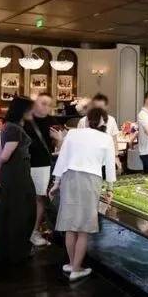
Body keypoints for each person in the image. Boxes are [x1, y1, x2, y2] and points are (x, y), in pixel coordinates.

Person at [49, 108, 116, 281]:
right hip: (90, 181)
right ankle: (76, 269)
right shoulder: (106, 138)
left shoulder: (73, 134)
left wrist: (56, 183)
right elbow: (110, 165)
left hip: (69, 178)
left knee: (70, 226)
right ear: (104, 121)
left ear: (86, 120)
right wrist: (110, 189)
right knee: (83, 228)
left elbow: (62, 159)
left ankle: (72, 264)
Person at [0, 97, 36, 264]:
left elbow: (1, 155)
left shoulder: (10, 126)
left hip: (13, 173)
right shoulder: (14, 129)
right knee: (20, 211)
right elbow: (4, 155)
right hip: (16, 174)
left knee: (10, 211)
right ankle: (16, 251)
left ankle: (5, 251)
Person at [24, 93, 63, 247]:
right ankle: (23, 230)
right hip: (24, 164)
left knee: (39, 198)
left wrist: (59, 140)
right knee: (25, 199)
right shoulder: (25, 120)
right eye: (42, 103)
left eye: (48, 104)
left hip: (42, 165)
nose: (46, 107)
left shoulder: (52, 121)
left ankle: (34, 231)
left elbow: (59, 147)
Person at [77, 93, 120, 174]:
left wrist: (116, 157)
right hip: (88, 161)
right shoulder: (83, 121)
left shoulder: (111, 120)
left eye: (101, 108)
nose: (99, 111)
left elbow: (114, 140)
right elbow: (79, 142)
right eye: (96, 107)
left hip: (106, 160)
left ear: (106, 107)